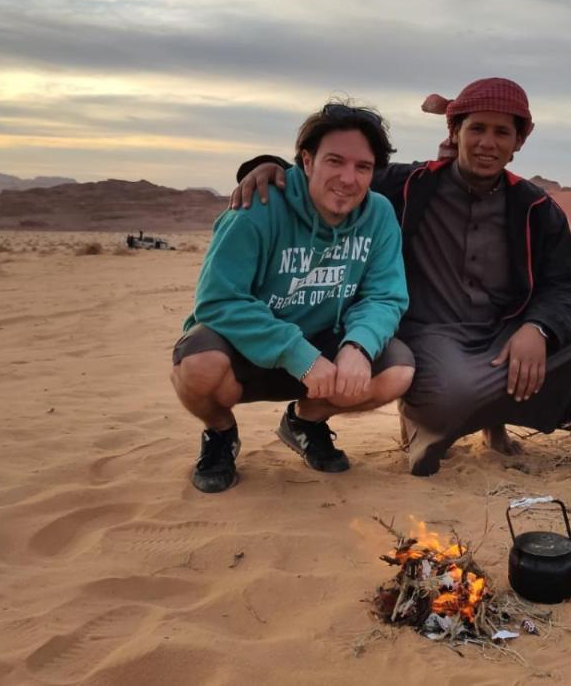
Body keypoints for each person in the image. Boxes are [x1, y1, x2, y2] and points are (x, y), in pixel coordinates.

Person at [234, 78, 571, 476]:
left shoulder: (537, 206)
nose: (488, 142)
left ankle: (491, 423)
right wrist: (267, 167)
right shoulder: (409, 185)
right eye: (477, 129)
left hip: (506, 333)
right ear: (455, 131)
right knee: (450, 394)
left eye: (502, 132)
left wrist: (538, 328)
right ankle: (427, 428)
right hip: (432, 334)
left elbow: (563, 286)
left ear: (519, 140)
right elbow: (338, 173)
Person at [171, 101, 414, 493]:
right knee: (199, 366)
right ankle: (220, 434)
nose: (348, 178)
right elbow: (217, 300)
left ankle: (305, 423)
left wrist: (359, 345)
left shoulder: (379, 214)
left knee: (395, 371)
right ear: (306, 159)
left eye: (362, 167)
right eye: (334, 161)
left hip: (325, 344)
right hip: (246, 347)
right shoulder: (256, 207)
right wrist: (298, 355)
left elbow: (385, 295)